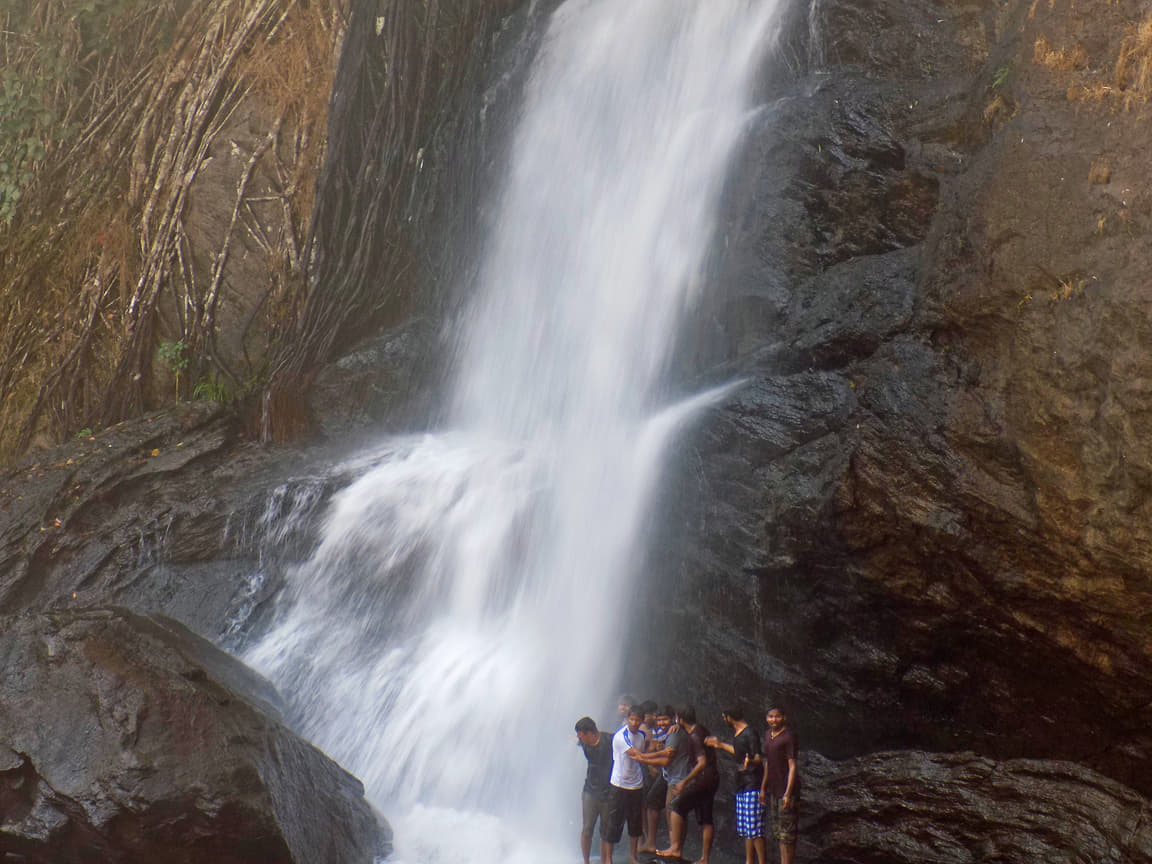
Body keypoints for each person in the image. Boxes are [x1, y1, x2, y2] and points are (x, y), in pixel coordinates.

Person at [706, 707, 765, 864]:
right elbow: (739, 753)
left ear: (729, 717)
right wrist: (720, 744)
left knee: (754, 828)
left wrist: (750, 762)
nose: (724, 720)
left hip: (753, 783)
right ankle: (749, 861)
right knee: (747, 828)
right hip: (741, 783)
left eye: (724, 717)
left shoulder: (750, 732)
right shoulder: (738, 734)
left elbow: (759, 757)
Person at [664, 705, 718, 864]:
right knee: (706, 818)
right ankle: (705, 859)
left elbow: (701, 762)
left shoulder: (694, 736)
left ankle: (675, 848)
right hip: (713, 778)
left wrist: (684, 781)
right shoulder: (701, 729)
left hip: (702, 779)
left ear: (680, 719)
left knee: (676, 806)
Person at [603, 705, 648, 864]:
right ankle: (608, 858)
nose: (634, 723)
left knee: (635, 823)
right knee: (614, 821)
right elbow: (637, 755)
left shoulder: (642, 736)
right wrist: (661, 755)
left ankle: (633, 856)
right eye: (632, 719)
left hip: (636, 784)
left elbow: (643, 753)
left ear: (642, 720)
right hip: (619, 784)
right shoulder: (621, 736)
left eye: (637, 720)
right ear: (627, 719)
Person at [759, 707, 799, 864]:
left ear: (784, 718)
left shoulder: (789, 737)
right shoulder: (767, 735)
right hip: (773, 790)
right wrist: (763, 787)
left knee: (787, 834)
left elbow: (793, 766)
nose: (773, 720)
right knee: (779, 832)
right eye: (770, 716)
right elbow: (767, 763)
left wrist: (788, 794)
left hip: (787, 792)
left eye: (777, 717)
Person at [576, 717, 615, 864]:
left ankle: (606, 861)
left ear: (590, 733)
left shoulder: (609, 740)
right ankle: (586, 862)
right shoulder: (584, 743)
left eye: (581, 735)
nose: (580, 739)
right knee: (587, 828)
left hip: (608, 790)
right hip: (590, 791)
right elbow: (576, 741)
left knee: (606, 830)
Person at [639, 707, 673, 853]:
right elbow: (652, 748)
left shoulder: (675, 732)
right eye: (659, 720)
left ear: (673, 718)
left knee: (673, 809)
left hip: (676, 776)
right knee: (651, 801)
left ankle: (674, 845)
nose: (661, 723)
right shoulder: (657, 732)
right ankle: (650, 842)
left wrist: (643, 757)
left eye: (665, 719)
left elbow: (666, 757)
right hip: (665, 775)